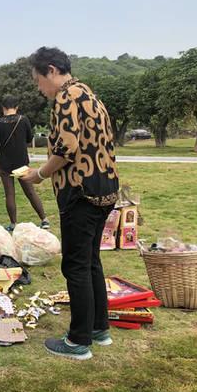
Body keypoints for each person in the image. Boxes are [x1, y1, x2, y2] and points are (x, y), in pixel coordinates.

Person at [23, 46, 119, 360]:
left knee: (75, 266)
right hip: (105, 189)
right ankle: (98, 328)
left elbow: (66, 148)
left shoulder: (66, 97)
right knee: (90, 261)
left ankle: (78, 341)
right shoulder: (89, 94)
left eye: (39, 80)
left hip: (81, 192)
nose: (40, 88)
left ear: (52, 70)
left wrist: (39, 174)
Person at [0, 95, 49, 231]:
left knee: (9, 194)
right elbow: (29, 137)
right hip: (21, 163)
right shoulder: (23, 120)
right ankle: (44, 220)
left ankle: (13, 224)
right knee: (30, 192)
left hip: (4, 164)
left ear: (3, 107)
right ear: (17, 107)